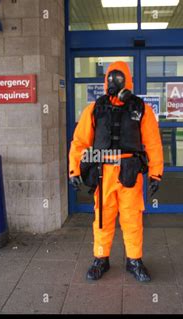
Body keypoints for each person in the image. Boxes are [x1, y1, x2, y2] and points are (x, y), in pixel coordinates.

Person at [68, 61, 163, 282]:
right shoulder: (95, 109)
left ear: (128, 80)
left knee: (132, 219)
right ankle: (101, 258)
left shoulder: (141, 109)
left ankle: (134, 260)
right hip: (103, 174)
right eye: (111, 77)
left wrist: (156, 172)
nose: (114, 82)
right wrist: (74, 170)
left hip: (130, 172)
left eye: (119, 78)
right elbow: (79, 142)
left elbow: (153, 143)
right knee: (102, 218)